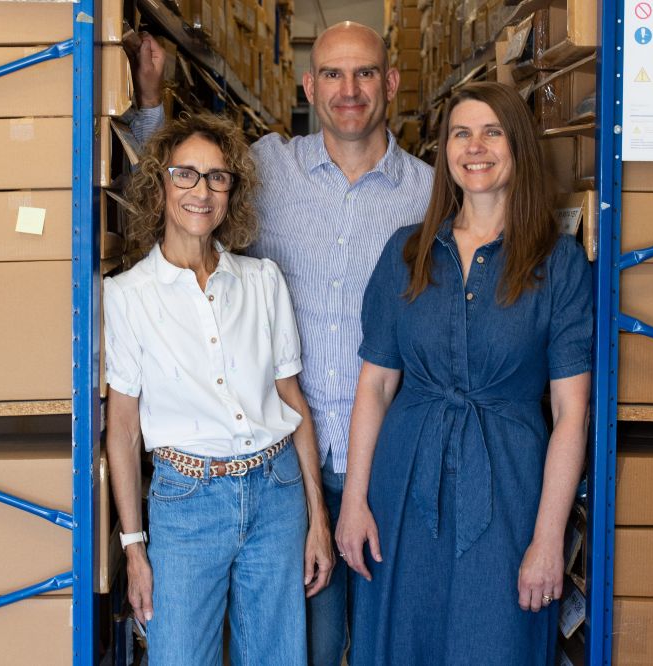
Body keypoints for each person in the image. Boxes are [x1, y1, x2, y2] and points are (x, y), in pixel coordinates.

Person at [125, 22, 434, 664]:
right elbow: (182, 183)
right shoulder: (269, 167)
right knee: (309, 648)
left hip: (389, 458)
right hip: (290, 469)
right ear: (308, 86)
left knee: (392, 645)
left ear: (391, 82)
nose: (349, 90)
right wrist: (150, 97)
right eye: (332, 74)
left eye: (365, 73)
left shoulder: (431, 193)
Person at [335, 81, 592, 665]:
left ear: (517, 146)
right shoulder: (406, 253)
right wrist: (354, 503)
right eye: (461, 134)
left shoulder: (558, 263)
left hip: (508, 488)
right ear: (445, 151)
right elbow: (375, 386)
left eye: (492, 132)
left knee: (495, 640)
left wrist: (548, 539)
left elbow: (571, 413)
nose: (475, 147)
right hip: (403, 483)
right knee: (402, 639)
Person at [103, 111, 333, 666]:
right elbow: (124, 429)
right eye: (185, 174)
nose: (201, 192)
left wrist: (318, 520)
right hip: (187, 503)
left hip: (276, 493)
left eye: (217, 177)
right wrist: (134, 548)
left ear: (233, 192)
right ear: (160, 184)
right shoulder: (127, 295)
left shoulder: (263, 281)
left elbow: (292, 401)